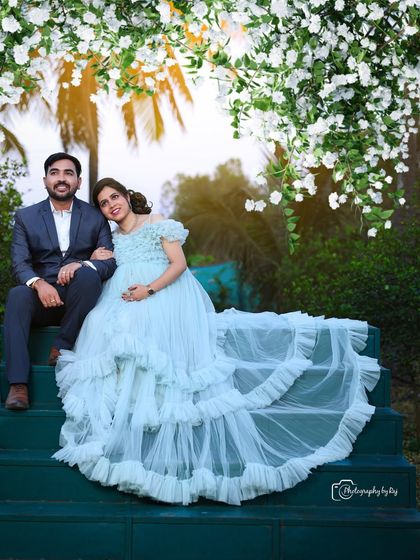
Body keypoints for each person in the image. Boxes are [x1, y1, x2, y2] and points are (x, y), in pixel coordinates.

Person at [53, 177, 380, 506]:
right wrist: (96, 255)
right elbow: (99, 265)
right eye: (104, 203)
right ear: (102, 211)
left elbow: (179, 265)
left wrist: (148, 290)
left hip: (165, 291)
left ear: (127, 196)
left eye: (115, 196)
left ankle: (152, 391)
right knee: (99, 322)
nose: (112, 204)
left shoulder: (157, 223)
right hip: (123, 295)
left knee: (139, 322)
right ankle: (127, 397)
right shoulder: (110, 238)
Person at [3, 153, 116, 410]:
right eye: (55, 173)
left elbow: (108, 262)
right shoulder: (26, 217)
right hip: (40, 301)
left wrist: (82, 263)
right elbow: (19, 263)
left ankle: (61, 345)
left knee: (88, 275)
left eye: (68, 173)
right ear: (45, 180)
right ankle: (18, 384)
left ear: (78, 181)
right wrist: (38, 284)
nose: (61, 178)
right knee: (18, 295)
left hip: (79, 301)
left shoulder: (95, 217)